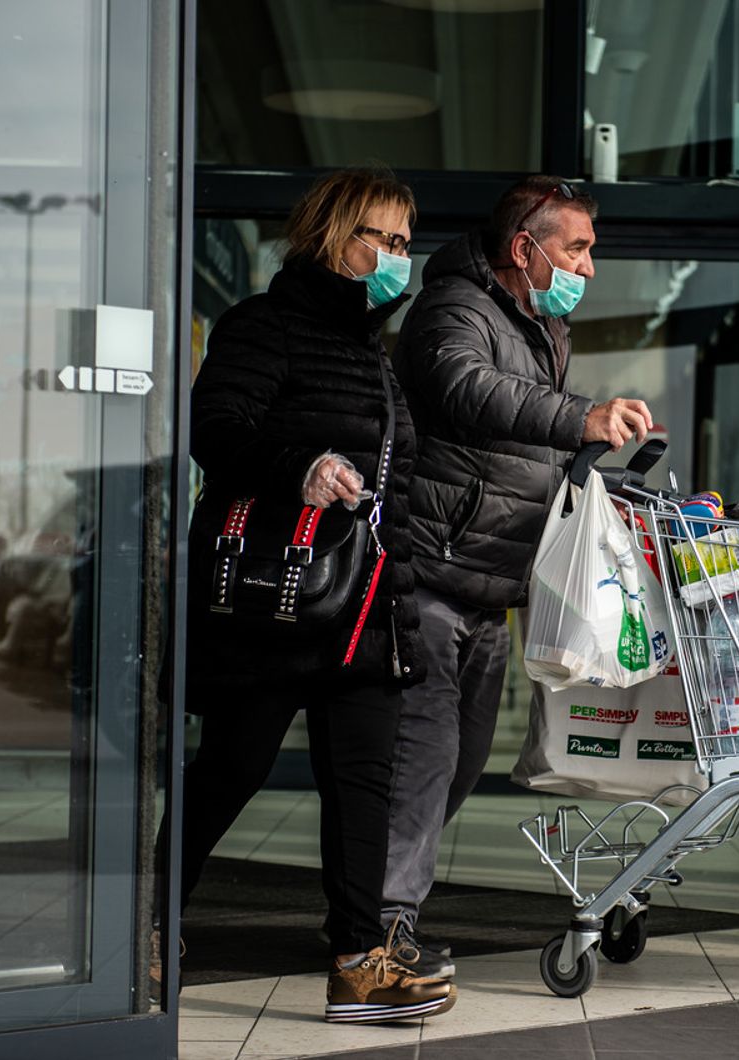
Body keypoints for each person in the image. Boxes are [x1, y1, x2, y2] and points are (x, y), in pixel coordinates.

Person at [173, 167, 454, 1023]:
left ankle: (358, 963)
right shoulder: (265, 325)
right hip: (279, 604)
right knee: (233, 767)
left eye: (407, 243)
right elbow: (214, 429)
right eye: (385, 238)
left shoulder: (375, 351)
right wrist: (302, 467)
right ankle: (148, 915)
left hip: (365, 608)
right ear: (335, 235)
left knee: (363, 783)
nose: (399, 258)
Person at [382, 175, 652, 974]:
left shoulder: (539, 322)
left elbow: (524, 449)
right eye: (577, 248)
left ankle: (385, 904)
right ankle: (383, 927)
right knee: (422, 763)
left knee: (459, 764)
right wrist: (581, 417)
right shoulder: (453, 308)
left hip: (493, 582)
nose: (589, 266)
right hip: (432, 576)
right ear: (524, 249)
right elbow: (470, 391)